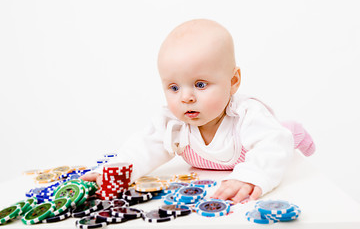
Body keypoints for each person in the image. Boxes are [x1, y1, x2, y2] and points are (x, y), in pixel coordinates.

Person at [81, 19, 315, 203]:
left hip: (269, 135)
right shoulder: (173, 123)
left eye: (200, 84)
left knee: (284, 134)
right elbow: (144, 146)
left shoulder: (246, 114)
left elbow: (273, 143)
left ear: (233, 81)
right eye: (174, 87)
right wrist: (118, 171)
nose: (186, 97)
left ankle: (298, 132)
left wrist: (250, 176)